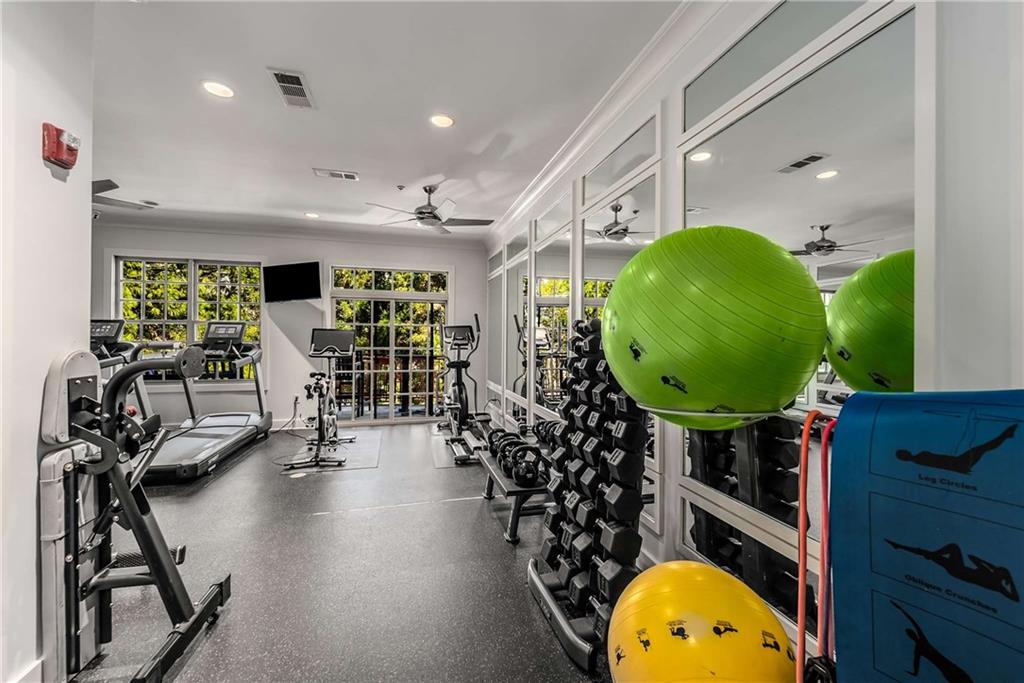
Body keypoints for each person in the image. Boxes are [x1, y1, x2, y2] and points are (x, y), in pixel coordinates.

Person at [885, 539, 1019, 602]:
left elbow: (1015, 598)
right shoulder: (990, 574)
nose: (996, 570)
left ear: (1001, 576)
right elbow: (972, 558)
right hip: (958, 570)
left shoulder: (996, 586)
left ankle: (930, 554)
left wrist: (1009, 580)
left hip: (959, 571)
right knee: (927, 553)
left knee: (953, 547)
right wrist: (992, 567)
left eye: (999, 571)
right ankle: (900, 546)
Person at [891, 601, 973, 683]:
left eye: (911, 632)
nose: (912, 634)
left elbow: (913, 621)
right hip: (947, 671)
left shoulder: (921, 641)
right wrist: (914, 673)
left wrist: (901, 609)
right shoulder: (918, 649)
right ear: (910, 637)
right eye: (910, 634)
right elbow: (916, 664)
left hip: (950, 668)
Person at [895, 421, 1017, 475]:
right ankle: (1006, 435)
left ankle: (1006, 435)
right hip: (959, 463)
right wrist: (960, 469)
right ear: (904, 456)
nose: (906, 450)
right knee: (982, 448)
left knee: (982, 448)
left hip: (959, 462)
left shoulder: (919, 458)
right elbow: (941, 465)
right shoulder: (919, 459)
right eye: (904, 452)